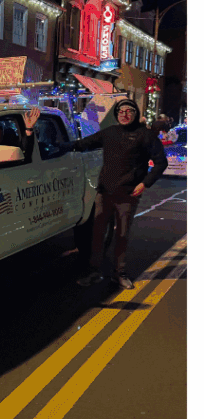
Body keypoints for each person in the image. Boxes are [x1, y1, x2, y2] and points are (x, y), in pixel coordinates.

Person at [73, 98, 168, 290]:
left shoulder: (145, 136)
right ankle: (94, 271)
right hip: (104, 193)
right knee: (97, 234)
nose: (125, 115)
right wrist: (52, 144)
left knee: (122, 235)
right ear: (116, 115)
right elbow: (84, 144)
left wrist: (145, 183)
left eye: (129, 111)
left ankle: (120, 274)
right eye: (121, 112)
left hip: (128, 194)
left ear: (135, 114)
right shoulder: (110, 133)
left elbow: (161, 163)